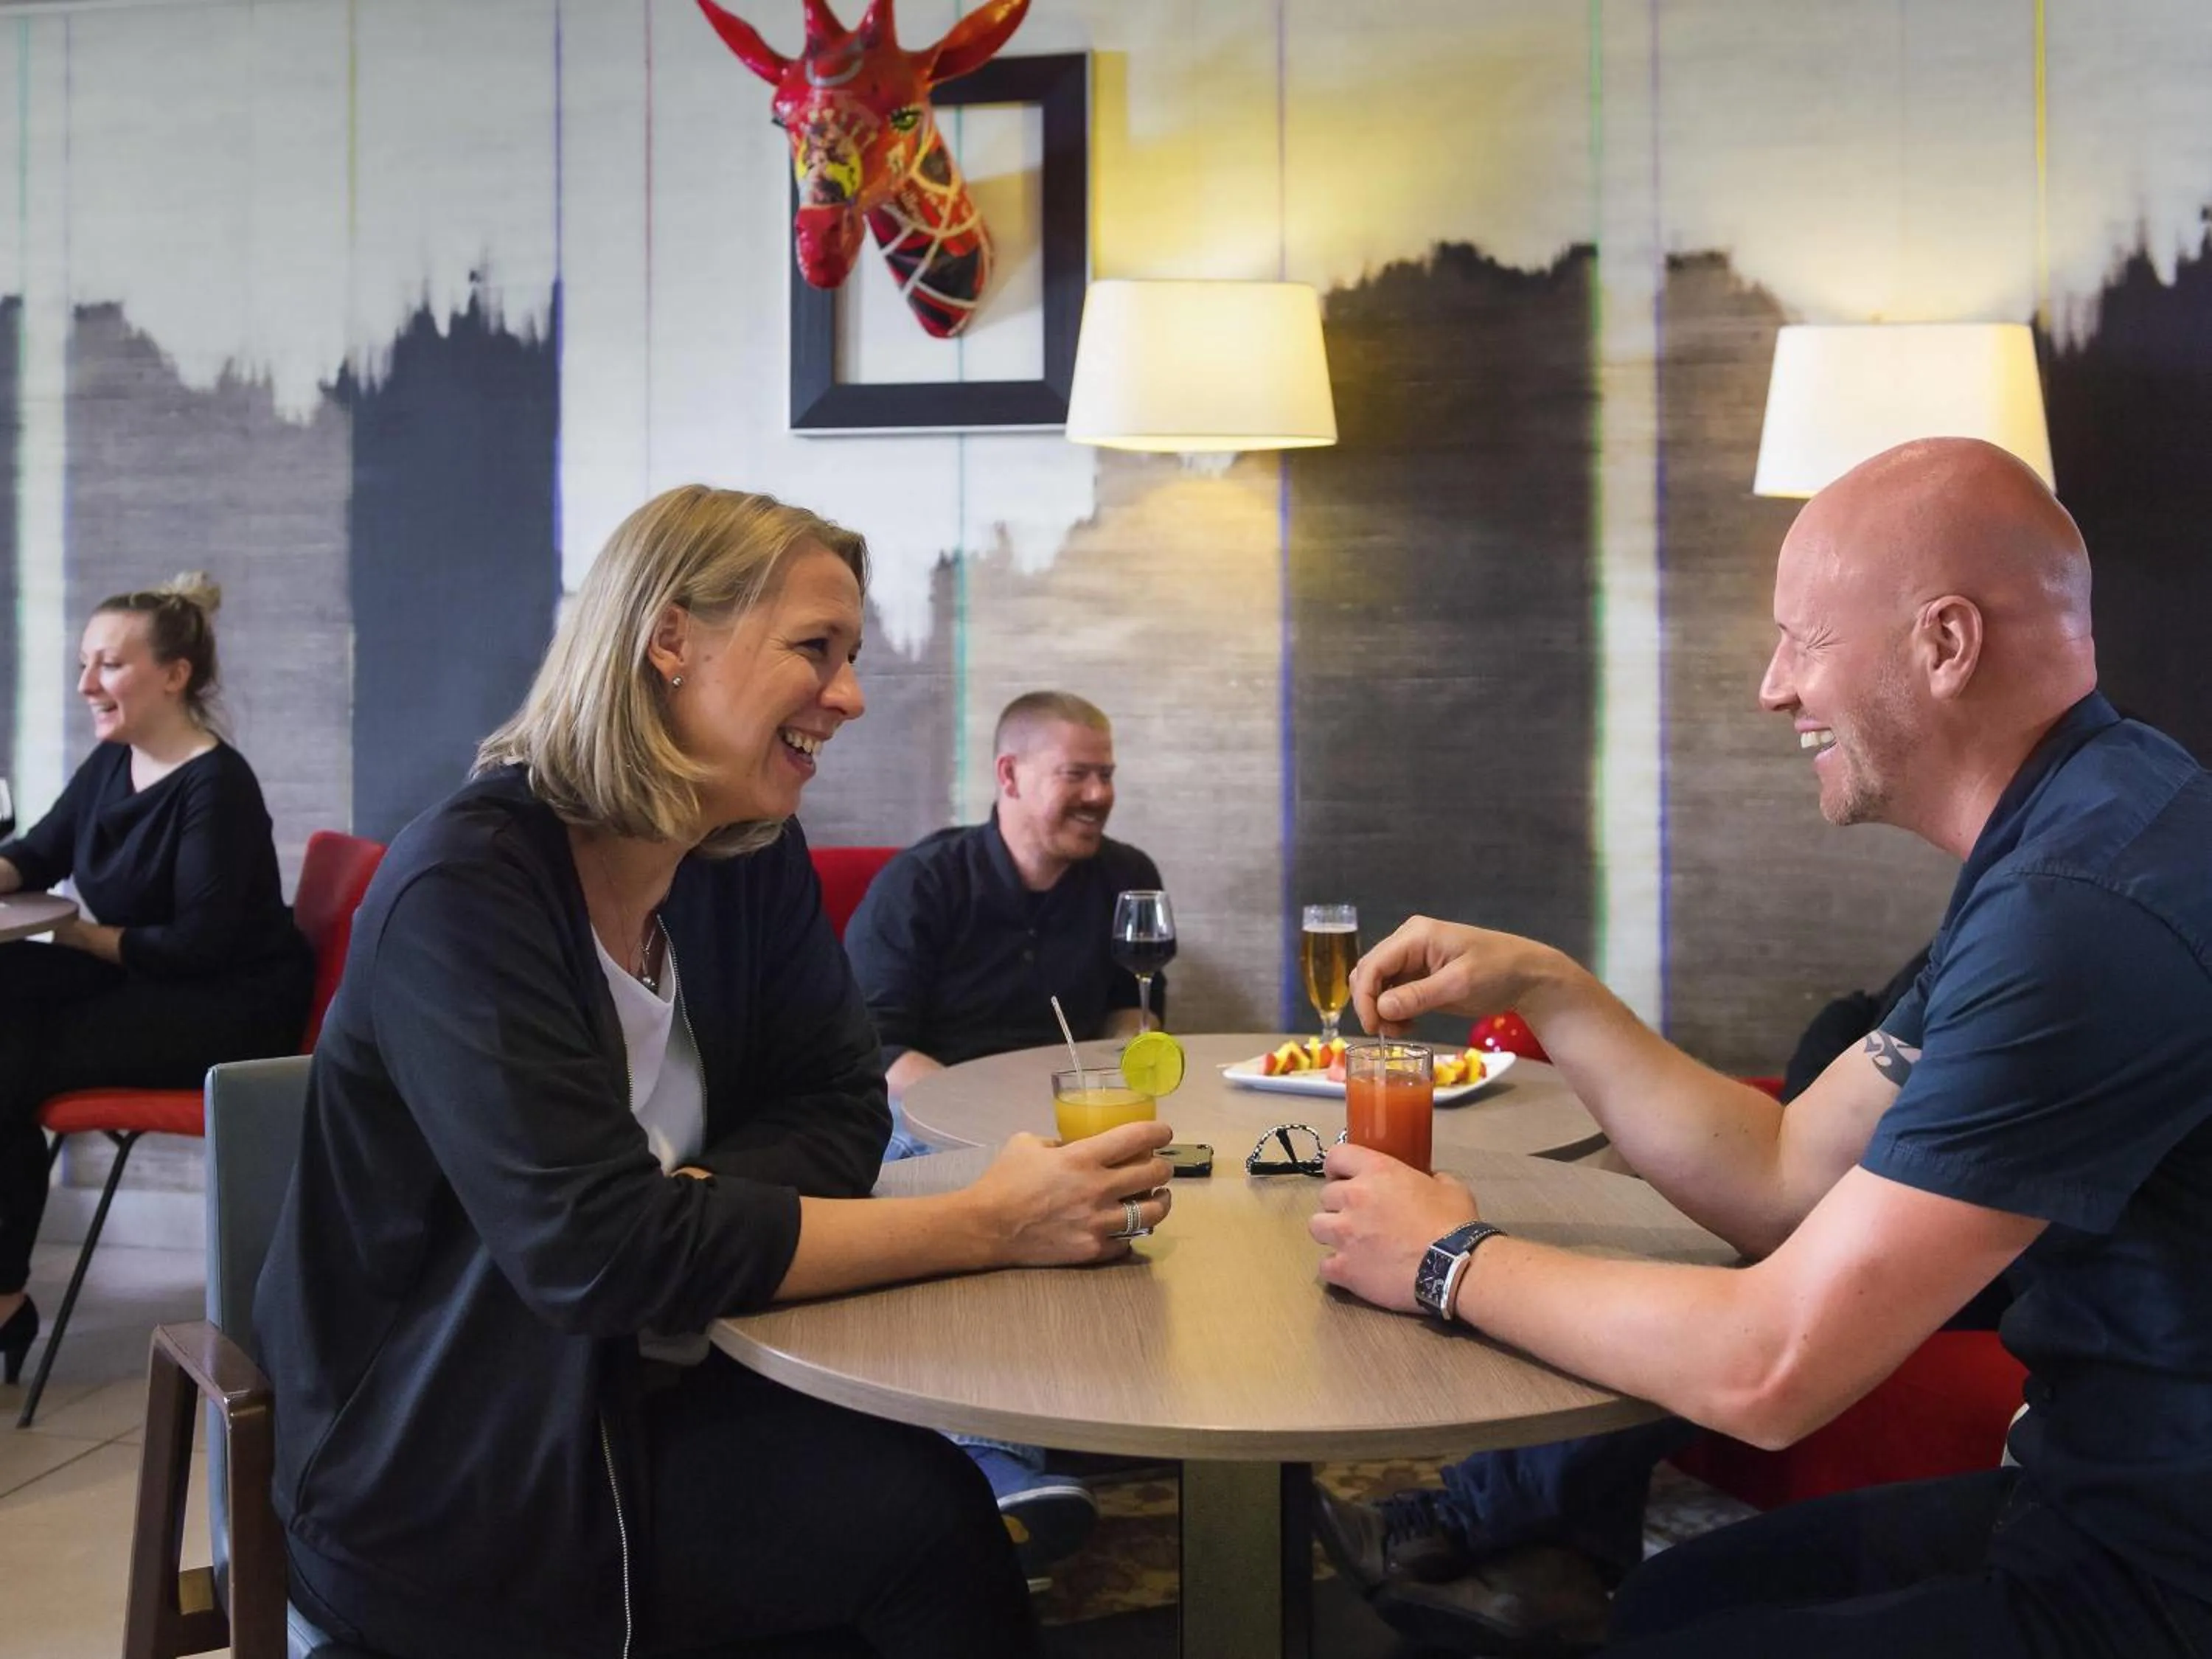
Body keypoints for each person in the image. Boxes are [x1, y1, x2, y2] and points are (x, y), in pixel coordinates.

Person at [1315, 438, 2212, 1658]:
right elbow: (1790, 1175)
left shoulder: (2078, 912)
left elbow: (1773, 1368)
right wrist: (1553, 990)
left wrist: (1444, 1261)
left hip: (2161, 1574)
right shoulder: (2094, 814)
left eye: (1805, 639)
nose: (1773, 687)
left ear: (1945, 644)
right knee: (1675, 1605)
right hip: (2095, 1501)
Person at [253, 486, 1175, 1659]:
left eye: (848, 654)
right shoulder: (467, 892)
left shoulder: (741, 848)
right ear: (668, 638)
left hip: (658, 1383)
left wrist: (675, 1217)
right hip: (455, 1468)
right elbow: (594, 1256)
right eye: (814, 649)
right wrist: (987, 1223)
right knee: (927, 1529)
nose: (847, 692)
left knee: (929, 1512)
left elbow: (838, 1107)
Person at [1313, 947, 1935, 1653]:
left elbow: (1763, 1360)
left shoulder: (2050, 906)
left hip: (2068, 1509)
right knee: (1655, 1603)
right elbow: (1801, 1152)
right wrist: (1540, 979)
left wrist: (1446, 1259)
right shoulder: (1995, 904)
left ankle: (1482, 1524)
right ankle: (1550, 1560)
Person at [842, 690, 1164, 1575]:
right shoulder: (924, 883)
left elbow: (1125, 1021)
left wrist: (1134, 1079)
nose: (1099, 793)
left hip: (1071, 1127)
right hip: (929, 1132)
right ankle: (997, 1469)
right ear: (1010, 777)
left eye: (1107, 773)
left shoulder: (1126, 875)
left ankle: (1184, 1413)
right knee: (967, 1209)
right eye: (1077, 774)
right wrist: (991, 1138)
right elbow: (877, 1048)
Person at [0, 574, 311, 1384]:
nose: (85, 685)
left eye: (108, 664)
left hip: (226, 1006)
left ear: (174, 675)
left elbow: (199, 946)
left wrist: (74, 931)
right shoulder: (113, 763)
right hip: (145, 978)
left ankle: (3, 1299)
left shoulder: (217, 786)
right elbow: (38, 853)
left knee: (10, 1055)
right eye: (82, 664)